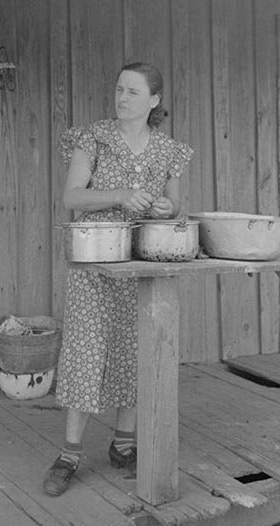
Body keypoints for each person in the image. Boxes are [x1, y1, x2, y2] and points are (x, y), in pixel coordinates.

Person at [43, 62, 193, 497]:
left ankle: (123, 446)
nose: (122, 97)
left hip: (139, 262)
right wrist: (120, 196)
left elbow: (176, 207)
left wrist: (166, 209)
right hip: (93, 261)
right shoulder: (92, 138)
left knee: (134, 348)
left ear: (154, 101)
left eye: (132, 91)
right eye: (118, 90)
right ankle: (70, 454)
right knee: (86, 350)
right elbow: (72, 197)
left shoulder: (168, 151)